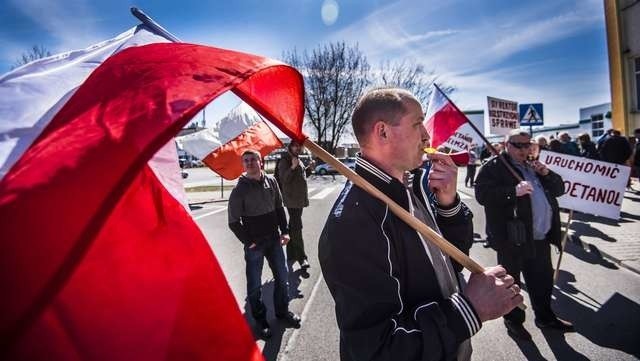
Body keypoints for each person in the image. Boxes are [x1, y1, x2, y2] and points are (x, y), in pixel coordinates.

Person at [319, 88, 522, 361]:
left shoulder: (412, 183)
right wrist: (471, 309)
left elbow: (448, 262)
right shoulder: (353, 223)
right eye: (418, 123)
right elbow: (378, 350)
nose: (427, 136)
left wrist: (449, 204)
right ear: (383, 132)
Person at [475, 130, 574, 341]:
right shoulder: (494, 166)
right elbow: (482, 195)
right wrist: (513, 191)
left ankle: (545, 318)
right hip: (513, 238)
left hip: (540, 237)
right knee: (512, 284)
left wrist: (547, 173)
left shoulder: (534, 165)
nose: (523, 149)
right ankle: (514, 322)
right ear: (506, 145)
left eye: (527, 144)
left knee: (543, 281)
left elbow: (559, 189)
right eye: (518, 145)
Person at [228, 150, 301, 339]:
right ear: (243, 165)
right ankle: (260, 320)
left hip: (274, 240)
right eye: (246, 161)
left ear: (261, 162)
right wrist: (249, 242)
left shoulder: (271, 182)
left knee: (283, 279)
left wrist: (284, 231)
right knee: (254, 286)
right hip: (255, 245)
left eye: (254, 159)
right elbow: (233, 222)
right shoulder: (239, 191)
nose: (250, 163)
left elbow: (279, 208)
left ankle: (282, 312)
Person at [276, 141, 311, 272]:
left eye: (299, 146)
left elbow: (300, 177)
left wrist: (309, 170)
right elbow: (284, 179)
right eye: (295, 146)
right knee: (297, 226)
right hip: (292, 200)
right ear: (290, 147)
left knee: (293, 226)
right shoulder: (285, 160)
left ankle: (290, 254)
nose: (298, 148)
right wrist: (292, 167)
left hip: (299, 199)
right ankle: (302, 258)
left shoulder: (297, 159)